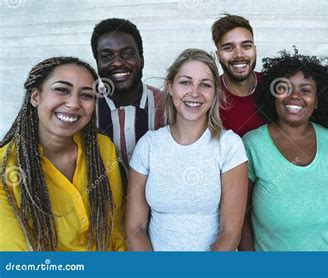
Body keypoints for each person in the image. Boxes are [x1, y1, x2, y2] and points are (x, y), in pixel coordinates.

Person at [125, 49, 248, 251]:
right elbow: (135, 227)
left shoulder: (229, 146)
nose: (195, 92)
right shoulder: (148, 145)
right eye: (185, 82)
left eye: (205, 85)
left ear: (215, 93)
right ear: (170, 87)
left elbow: (231, 233)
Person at [239, 50, 328, 251]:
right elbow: (240, 216)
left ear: (317, 101)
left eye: (305, 90)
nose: (295, 96)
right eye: (284, 88)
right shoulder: (252, 145)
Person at [0, 57, 125, 251]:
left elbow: (115, 231)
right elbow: (18, 260)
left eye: (86, 95)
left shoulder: (103, 148)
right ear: (35, 97)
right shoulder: (4, 167)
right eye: (61, 90)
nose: (74, 104)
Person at [91, 18, 164, 171]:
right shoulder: (87, 108)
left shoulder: (166, 106)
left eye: (127, 54)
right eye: (106, 56)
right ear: (97, 63)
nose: (117, 63)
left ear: (142, 59)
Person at [211, 14, 265, 136]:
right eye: (228, 48)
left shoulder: (273, 86)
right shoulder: (210, 95)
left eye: (246, 46)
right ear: (218, 54)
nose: (239, 54)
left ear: (254, 49)